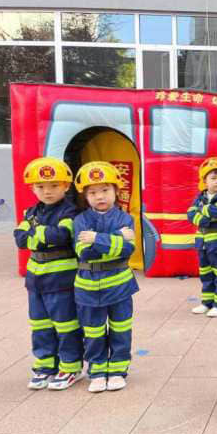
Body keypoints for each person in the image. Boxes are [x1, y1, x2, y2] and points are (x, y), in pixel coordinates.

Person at [14, 157, 84, 390]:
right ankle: (45, 366)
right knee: (40, 325)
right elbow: (20, 238)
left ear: (66, 186)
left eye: (54, 185)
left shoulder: (72, 212)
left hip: (61, 280)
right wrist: (43, 234)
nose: (47, 191)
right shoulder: (31, 211)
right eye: (41, 186)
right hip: (36, 281)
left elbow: (62, 235)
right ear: (32, 188)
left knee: (65, 325)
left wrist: (37, 234)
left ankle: (70, 367)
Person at [73, 161, 139, 392]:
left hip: (120, 286)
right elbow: (84, 253)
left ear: (115, 191)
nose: (99, 196)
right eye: (92, 192)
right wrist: (114, 238)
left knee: (121, 329)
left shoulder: (125, 218)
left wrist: (96, 238)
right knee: (92, 331)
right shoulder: (79, 221)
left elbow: (127, 250)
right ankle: (98, 371)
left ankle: (119, 370)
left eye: (105, 190)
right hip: (88, 289)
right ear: (85, 195)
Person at [188, 157, 217, 317]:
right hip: (203, 245)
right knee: (206, 274)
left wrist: (202, 210)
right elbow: (190, 213)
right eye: (213, 178)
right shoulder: (200, 197)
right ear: (204, 181)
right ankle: (207, 302)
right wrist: (203, 216)